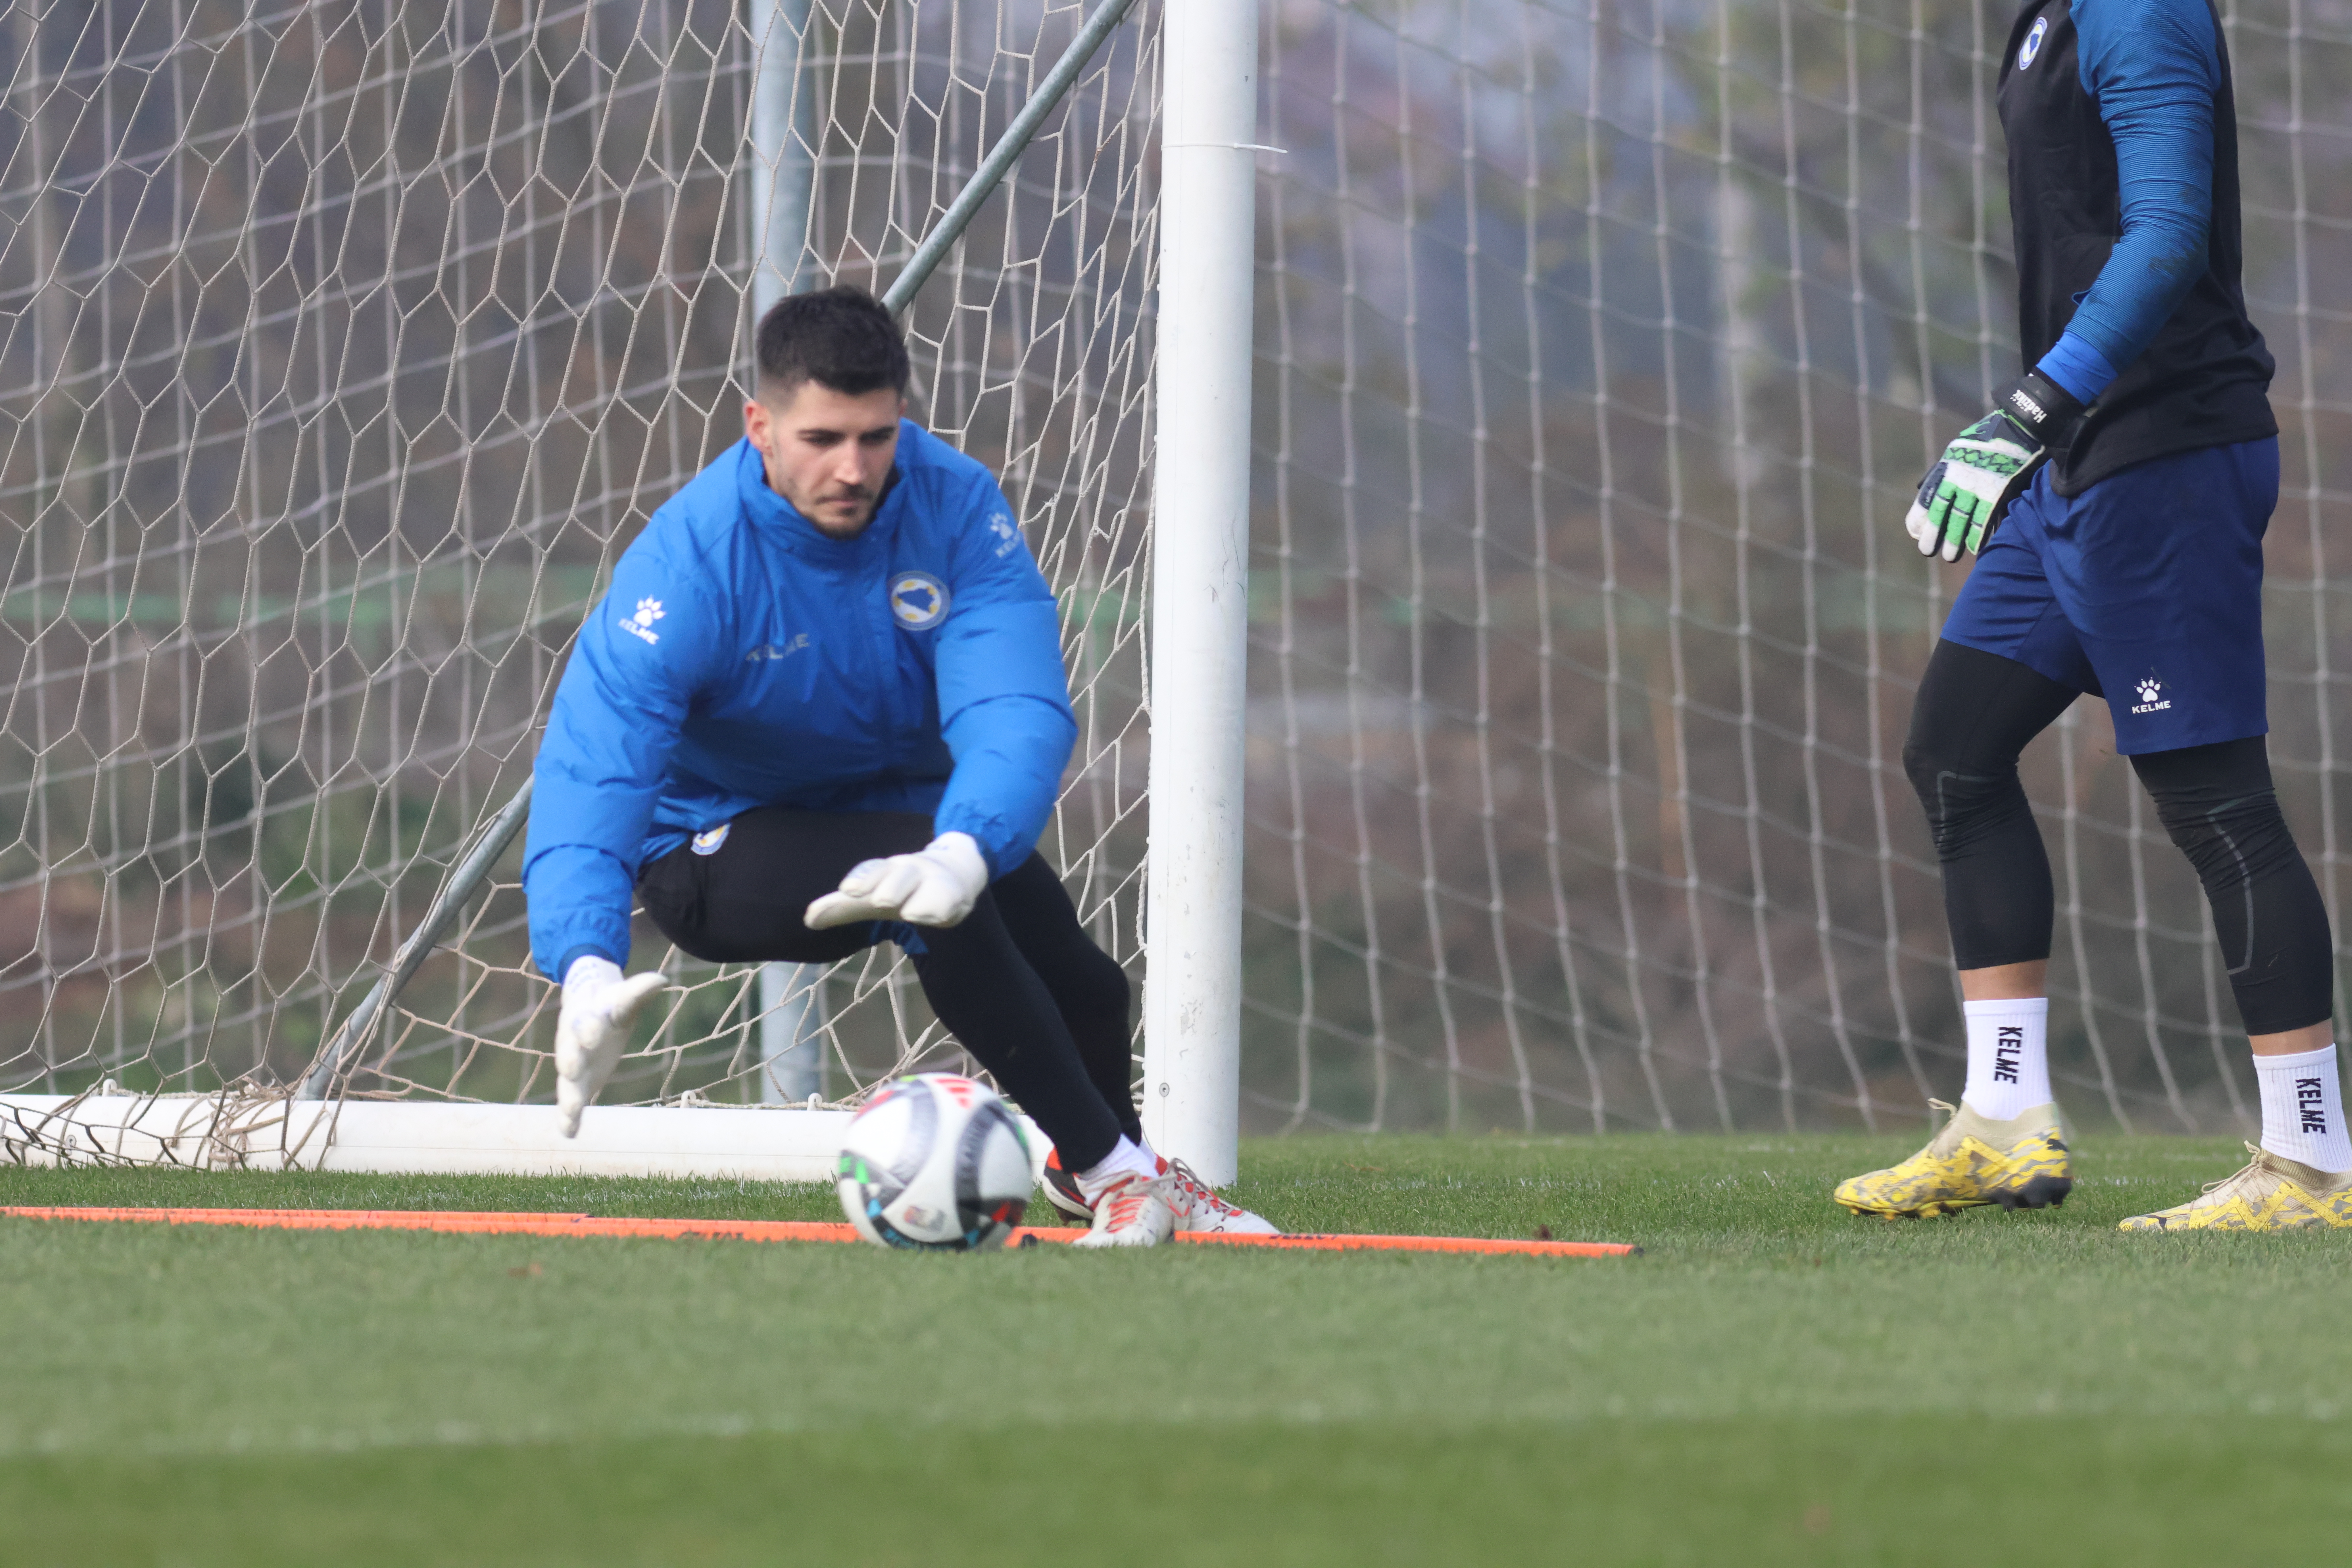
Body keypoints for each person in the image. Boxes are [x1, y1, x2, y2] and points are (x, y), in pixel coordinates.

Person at [521, 285, 1275, 1247]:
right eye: (822, 438)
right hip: (710, 851)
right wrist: (585, 961)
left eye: (875, 437)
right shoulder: (689, 567)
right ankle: (1125, 1178)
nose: (852, 467)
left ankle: (1096, 1179)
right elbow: (596, 766)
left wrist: (968, 848)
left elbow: (1011, 701)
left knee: (1087, 988)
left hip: (900, 819)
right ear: (760, 425)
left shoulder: (955, 506)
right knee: (929, 905)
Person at [1837, 0, 2350, 1229]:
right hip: (2075, 464)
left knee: (2218, 806)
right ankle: (2006, 1121)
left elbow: (2168, 233)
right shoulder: (2046, 15)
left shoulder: (2140, 7)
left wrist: (2022, 412)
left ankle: (2316, 1162)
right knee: (1957, 752)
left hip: (2162, 461)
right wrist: (2039, 432)